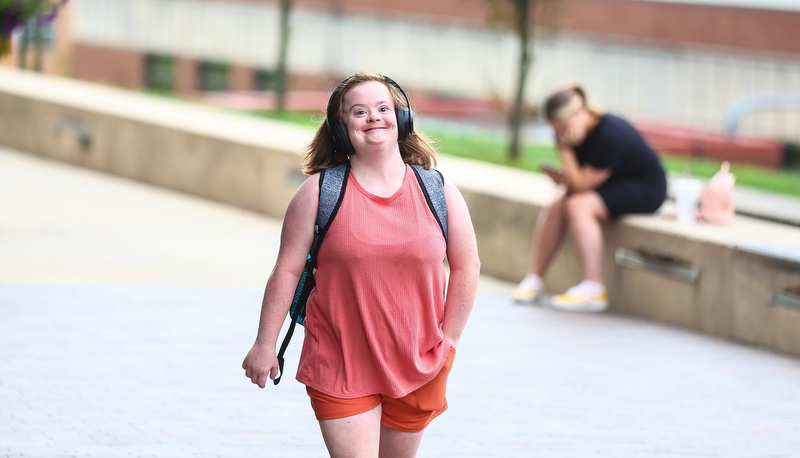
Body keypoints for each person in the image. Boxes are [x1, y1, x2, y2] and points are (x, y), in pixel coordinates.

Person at [242, 72, 480, 457]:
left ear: (400, 120)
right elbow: (286, 270)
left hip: (419, 363)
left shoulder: (438, 190)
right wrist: (264, 343)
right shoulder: (319, 193)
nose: (374, 117)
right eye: (359, 111)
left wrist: (449, 341)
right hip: (339, 359)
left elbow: (467, 266)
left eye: (383, 108)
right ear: (341, 129)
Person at [512, 85, 667, 312]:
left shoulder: (610, 134)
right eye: (556, 131)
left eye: (564, 128)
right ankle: (534, 280)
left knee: (577, 205)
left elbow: (581, 186)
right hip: (612, 182)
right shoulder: (571, 133)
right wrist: (566, 175)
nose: (561, 135)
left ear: (579, 113)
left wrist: (565, 149)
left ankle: (594, 289)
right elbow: (578, 180)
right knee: (558, 202)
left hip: (646, 188)